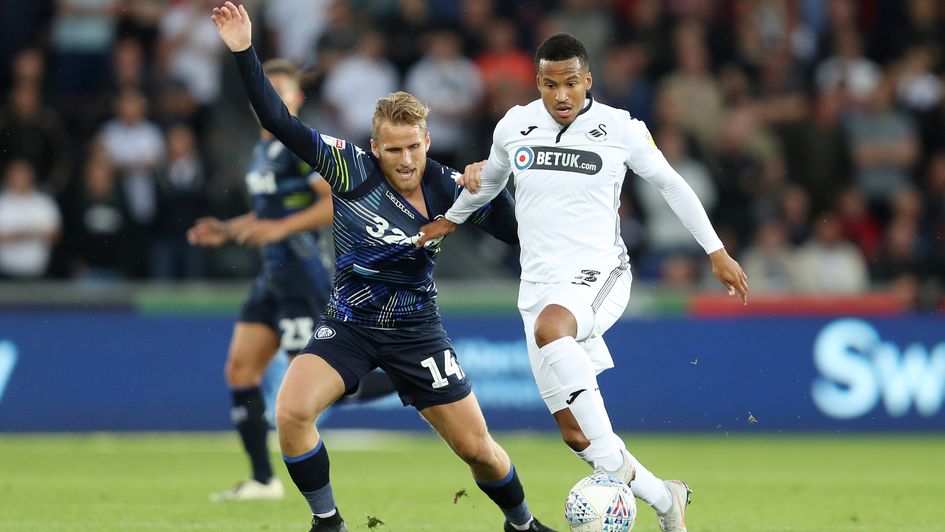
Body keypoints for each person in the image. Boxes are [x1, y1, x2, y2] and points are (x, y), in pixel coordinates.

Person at [210, 4, 555, 531]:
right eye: (393, 150)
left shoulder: (448, 186)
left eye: (414, 147)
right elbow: (280, 121)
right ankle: (328, 523)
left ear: (428, 141)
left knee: (478, 450)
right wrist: (243, 50)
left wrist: (497, 185)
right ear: (375, 146)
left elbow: (518, 236)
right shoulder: (347, 166)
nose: (406, 160)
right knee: (291, 412)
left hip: (417, 331)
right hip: (347, 324)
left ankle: (523, 524)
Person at [420, 33, 749, 532]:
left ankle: (613, 471)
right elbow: (489, 183)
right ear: (539, 83)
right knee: (577, 435)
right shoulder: (515, 125)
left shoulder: (620, 128)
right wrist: (449, 219)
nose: (561, 95)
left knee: (554, 331)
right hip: (537, 286)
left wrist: (716, 251)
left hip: (601, 273)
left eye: (571, 83)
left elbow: (670, 183)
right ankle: (666, 499)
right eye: (551, 84)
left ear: (588, 80)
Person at [187, 57, 394, 502]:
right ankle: (263, 480)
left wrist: (278, 230)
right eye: (268, 93)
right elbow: (269, 214)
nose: (275, 101)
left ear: (296, 101)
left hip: (302, 275)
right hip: (272, 276)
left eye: (283, 94)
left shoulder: (301, 149)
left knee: (315, 387)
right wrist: (226, 229)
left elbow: (332, 203)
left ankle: (403, 373)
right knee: (241, 368)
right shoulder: (262, 150)